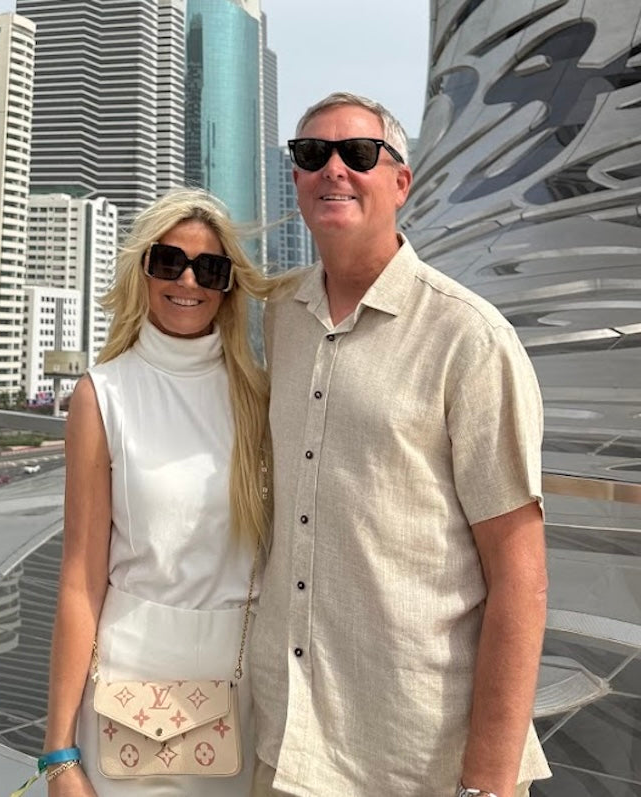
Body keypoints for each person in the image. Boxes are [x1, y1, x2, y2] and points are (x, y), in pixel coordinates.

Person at [248, 92, 550, 797]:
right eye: (310, 154)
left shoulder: (469, 339)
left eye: (358, 154)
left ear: (401, 182)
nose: (333, 170)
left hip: (416, 759)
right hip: (286, 744)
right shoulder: (278, 319)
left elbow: (521, 578)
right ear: (293, 177)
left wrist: (487, 783)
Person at [41, 188, 272, 796]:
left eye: (210, 268)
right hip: (127, 697)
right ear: (142, 271)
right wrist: (57, 754)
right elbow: (80, 577)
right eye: (169, 261)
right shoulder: (103, 395)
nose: (188, 280)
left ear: (228, 286)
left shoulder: (260, 398)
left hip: (242, 694)